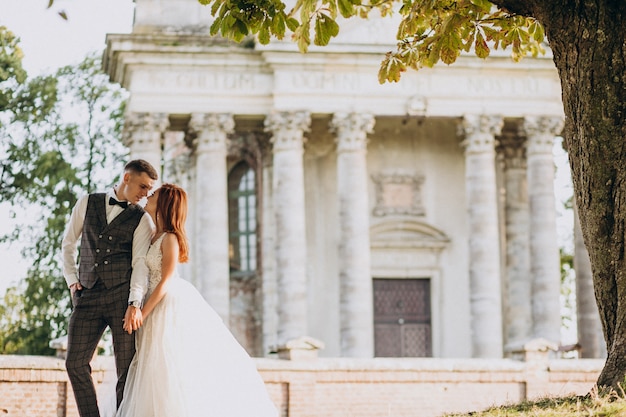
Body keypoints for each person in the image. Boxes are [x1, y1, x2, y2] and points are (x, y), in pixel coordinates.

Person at [115, 183, 278, 417]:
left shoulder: (169, 238)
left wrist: (143, 311)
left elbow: (166, 281)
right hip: (150, 303)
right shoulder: (152, 234)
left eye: (154, 195)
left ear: (164, 204)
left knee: (166, 369)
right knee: (148, 371)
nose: (148, 196)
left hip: (164, 306)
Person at [62, 159, 158, 417]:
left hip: (121, 298)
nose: (145, 194)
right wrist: (72, 279)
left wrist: (134, 303)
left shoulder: (143, 219)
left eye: (150, 190)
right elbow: (68, 243)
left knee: (126, 370)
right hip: (87, 296)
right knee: (74, 363)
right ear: (127, 178)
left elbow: (139, 263)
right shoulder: (87, 202)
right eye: (143, 186)